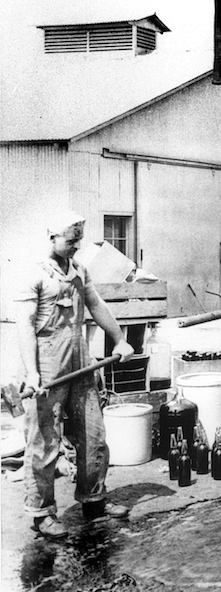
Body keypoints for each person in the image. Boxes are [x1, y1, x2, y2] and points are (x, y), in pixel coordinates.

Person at [15, 211, 136, 539]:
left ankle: (94, 498)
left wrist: (121, 339)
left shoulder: (80, 270)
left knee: (92, 434)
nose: (76, 247)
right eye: (71, 241)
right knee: (44, 442)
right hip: (47, 366)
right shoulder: (34, 273)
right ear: (52, 237)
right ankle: (42, 514)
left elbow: (96, 305)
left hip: (80, 362)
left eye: (78, 241)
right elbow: (25, 326)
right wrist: (31, 373)